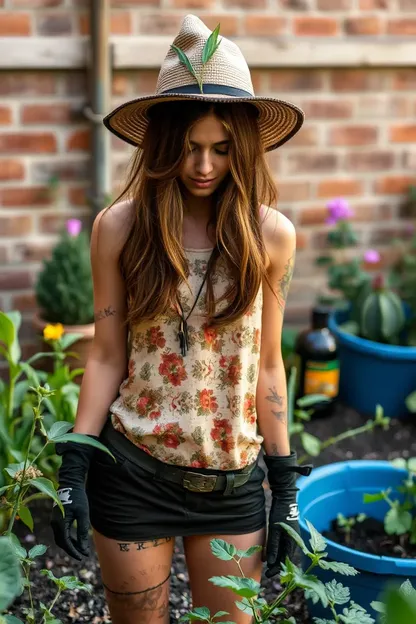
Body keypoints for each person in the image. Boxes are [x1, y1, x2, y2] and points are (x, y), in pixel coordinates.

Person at [51, 14, 311, 624]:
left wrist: (287, 486)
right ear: (164, 144)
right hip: (133, 472)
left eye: (221, 149)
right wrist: (74, 459)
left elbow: (269, 365)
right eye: (189, 146)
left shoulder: (272, 236)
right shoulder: (119, 228)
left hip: (233, 482)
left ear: (243, 147)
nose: (204, 164)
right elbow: (108, 354)